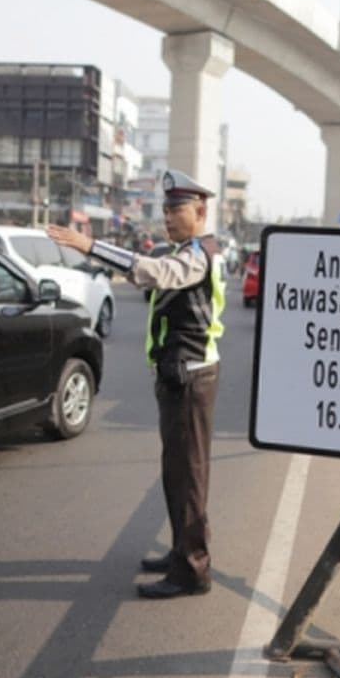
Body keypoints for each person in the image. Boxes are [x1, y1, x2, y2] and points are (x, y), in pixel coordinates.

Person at [47, 169, 226, 599]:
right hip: (178, 375)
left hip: (191, 377)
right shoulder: (186, 248)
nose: (167, 216)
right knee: (175, 471)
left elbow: (154, 273)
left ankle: (192, 570)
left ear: (200, 211)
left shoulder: (197, 254)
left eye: (176, 208)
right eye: (164, 209)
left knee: (189, 475)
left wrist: (91, 245)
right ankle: (182, 551)